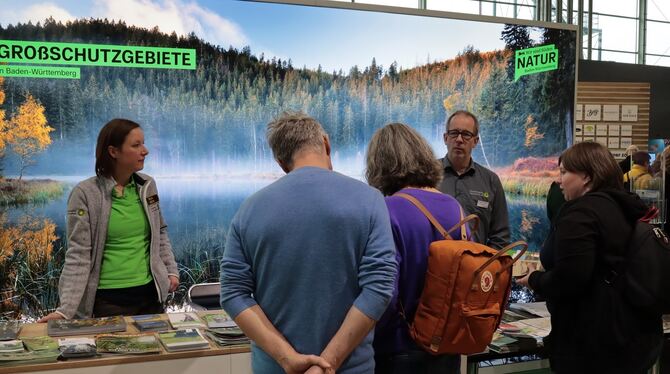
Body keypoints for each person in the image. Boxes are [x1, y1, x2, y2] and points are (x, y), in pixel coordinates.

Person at [220, 111, 397, 374]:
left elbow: (233, 293)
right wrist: (329, 363)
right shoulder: (370, 200)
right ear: (326, 144)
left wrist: (286, 358)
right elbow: (379, 287)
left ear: (281, 162)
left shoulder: (249, 209)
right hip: (349, 368)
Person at [517, 142, 662, 374]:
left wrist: (534, 279)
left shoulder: (580, 213)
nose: (559, 180)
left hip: (593, 346)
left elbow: (570, 280)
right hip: (636, 337)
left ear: (586, 176)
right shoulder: (626, 207)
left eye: (564, 172)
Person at [39, 118, 179, 322]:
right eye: (136, 145)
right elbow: (78, 255)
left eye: (144, 143)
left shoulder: (147, 185)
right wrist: (65, 310)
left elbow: (160, 232)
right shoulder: (85, 194)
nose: (145, 150)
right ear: (113, 152)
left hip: (150, 297)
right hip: (108, 302)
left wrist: (170, 270)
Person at [366, 123, 465, 374]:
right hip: (446, 348)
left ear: (381, 163)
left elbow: (385, 294)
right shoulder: (455, 208)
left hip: (399, 348)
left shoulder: (388, 209)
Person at [437, 110, 510, 249]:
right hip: (434, 266)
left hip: (475, 268)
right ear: (446, 138)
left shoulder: (491, 181)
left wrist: (485, 266)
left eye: (466, 134)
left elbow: (500, 236)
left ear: (475, 141)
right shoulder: (426, 174)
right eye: (454, 133)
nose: (459, 139)